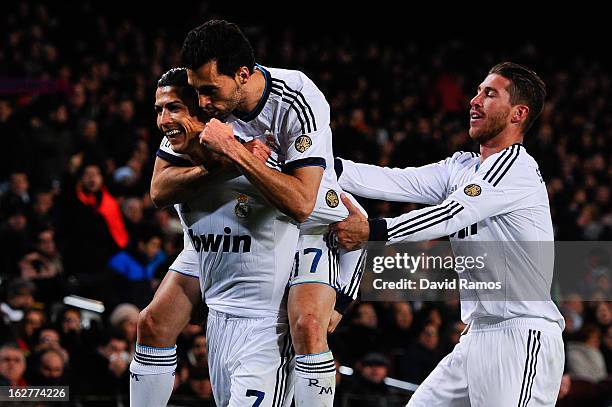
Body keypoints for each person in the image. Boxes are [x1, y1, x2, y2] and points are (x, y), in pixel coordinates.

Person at [333, 62, 565, 406]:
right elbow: (397, 180)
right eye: (477, 91)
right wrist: (318, 163)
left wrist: (374, 231)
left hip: (520, 336)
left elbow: (451, 214)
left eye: (490, 94)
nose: (475, 100)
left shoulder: (515, 167)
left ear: (518, 114)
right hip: (475, 337)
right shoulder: (463, 166)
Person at [180, 20, 367, 406]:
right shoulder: (204, 98)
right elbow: (161, 188)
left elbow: (302, 203)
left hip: (312, 225)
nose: (202, 103)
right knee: (154, 322)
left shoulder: (297, 98)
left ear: (243, 75)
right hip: (244, 228)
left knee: (310, 326)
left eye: (210, 91)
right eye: (197, 91)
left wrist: (232, 151)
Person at [130, 67, 298, 407]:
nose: (164, 120)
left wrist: (338, 296)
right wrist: (227, 165)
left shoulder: (259, 146)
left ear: (204, 109)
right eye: (159, 110)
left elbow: (321, 205)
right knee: (152, 322)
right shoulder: (177, 142)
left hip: (265, 275)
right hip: (206, 247)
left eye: (173, 107)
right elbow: (160, 192)